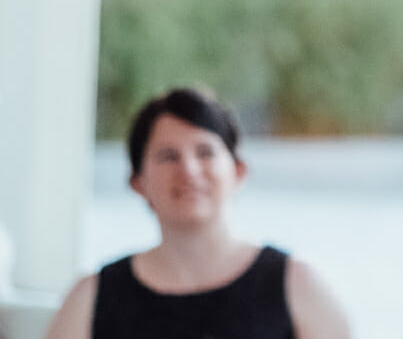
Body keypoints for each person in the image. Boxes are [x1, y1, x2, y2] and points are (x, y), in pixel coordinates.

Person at [44, 87, 350, 339]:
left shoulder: (300, 288)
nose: (189, 171)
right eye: (168, 156)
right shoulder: (89, 299)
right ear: (138, 182)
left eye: (206, 153)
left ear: (239, 172)